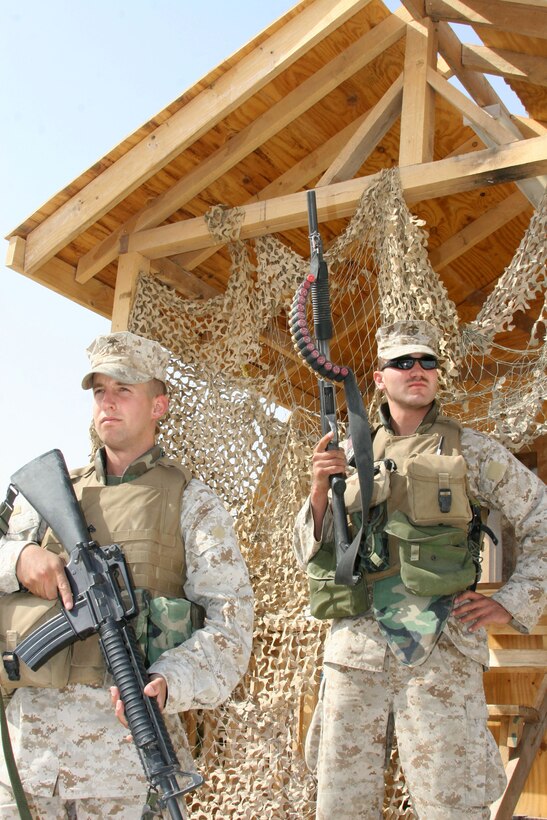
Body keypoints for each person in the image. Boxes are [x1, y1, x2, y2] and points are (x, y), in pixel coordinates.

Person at [293, 320, 547, 820]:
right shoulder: (342, 453)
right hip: (355, 652)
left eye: (428, 362)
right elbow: (306, 550)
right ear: (379, 376)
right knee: (340, 805)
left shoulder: (468, 450)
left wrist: (511, 602)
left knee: (451, 804)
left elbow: (541, 518)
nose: (417, 371)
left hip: (441, 652)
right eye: (403, 362)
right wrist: (320, 491)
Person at [0, 331, 254, 818]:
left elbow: (232, 627)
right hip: (27, 759)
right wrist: (19, 561)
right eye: (99, 392)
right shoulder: (50, 495)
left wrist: (169, 679)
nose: (107, 404)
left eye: (123, 390)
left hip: (123, 767)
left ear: (158, 406)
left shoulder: (192, 503)